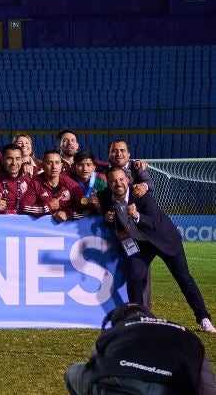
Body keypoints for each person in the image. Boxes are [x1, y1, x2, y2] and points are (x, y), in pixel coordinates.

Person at [99, 167, 215, 333]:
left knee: (183, 279)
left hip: (164, 239)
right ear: (108, 184)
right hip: (139, 245)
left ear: (127, 180)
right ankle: (138, 319)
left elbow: (154, 222)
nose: (118, 183)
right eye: (113, 181)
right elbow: (89, 201)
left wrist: (137, 215)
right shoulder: (106, 197)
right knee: (134, 276)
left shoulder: (140, 194)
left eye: (121, 179)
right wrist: (105, 215)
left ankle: (204, 319)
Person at [64, 302, 216, 394]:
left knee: (74, 371)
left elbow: (95, 368)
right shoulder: (187, 335)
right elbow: (208, 387)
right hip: (172, 388)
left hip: (121, 385)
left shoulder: (117, 330)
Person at [0, 144, 39, 215]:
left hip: (24, 222)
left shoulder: (30, 174)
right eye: (9, 159)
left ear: (22, 160)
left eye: (18, 159)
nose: (14, 163)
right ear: (2, 160)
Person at [34, 150, 86, 221]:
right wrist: (48, 207)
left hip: (65, 230)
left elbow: (85, 209)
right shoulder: (34, 182)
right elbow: (24, 207)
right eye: (49, 163)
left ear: (61, 165)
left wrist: (67, 214)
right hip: (41, 228)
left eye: (57, 163)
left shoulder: (72, 185)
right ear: (43, 166)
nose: (54, 167)